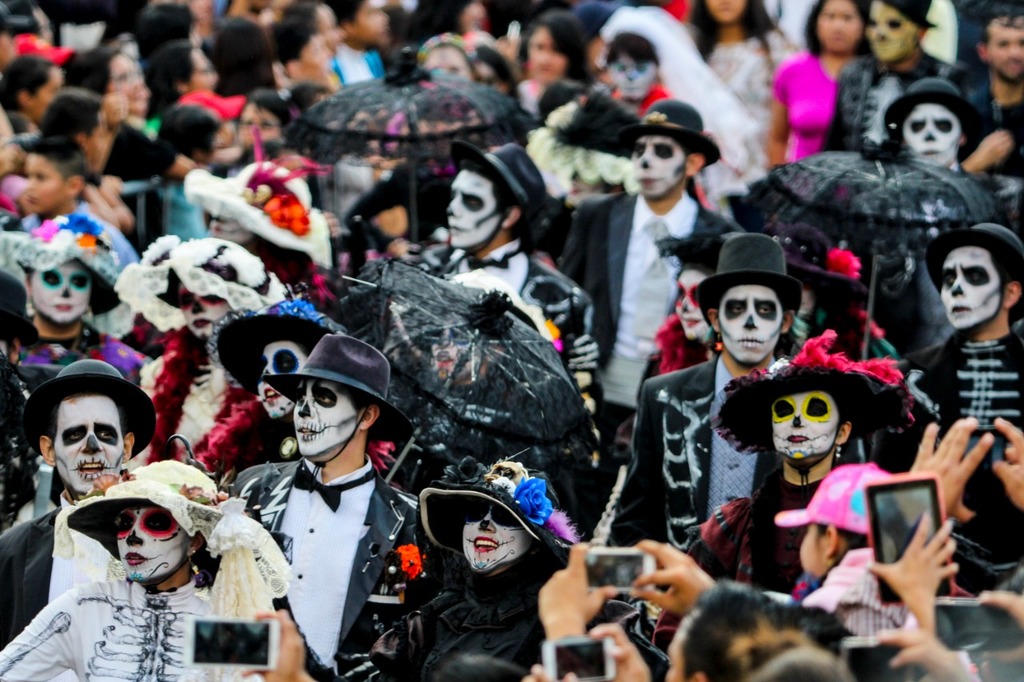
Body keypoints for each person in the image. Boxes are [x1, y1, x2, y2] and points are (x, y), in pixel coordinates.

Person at [371, 458, 667, 680]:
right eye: (476, 513)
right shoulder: (432, 621)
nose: (485, 524)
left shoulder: (579, 616)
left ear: (536, 543)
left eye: (503, 516)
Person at [234, 333, 420, 677]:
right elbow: (215, 600)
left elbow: (410, 646)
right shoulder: (252, 488)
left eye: (323, 398)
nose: (303, 412)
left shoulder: (407, 521)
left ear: (367, 416)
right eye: (300, 397)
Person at [0, 459, 289, 680]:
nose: (133, 538)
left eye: (157, 523)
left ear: (194, 541)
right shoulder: (86, 608)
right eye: (125, 524)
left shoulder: (217, 625)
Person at [561, 100, 741, 440]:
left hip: (676, 388)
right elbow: (566, 291)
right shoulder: (597, 215)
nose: (645, 161)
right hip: (598, 381)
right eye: (639, 150)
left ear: (692, 163)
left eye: (662, 151)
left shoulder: (720, 235)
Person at [610, 233, 800, 548]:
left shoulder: (812, 401)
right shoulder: (663, 396)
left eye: (765, 309)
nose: (750, 322)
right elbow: (633, 519)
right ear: (715, 318)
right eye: (736, 308)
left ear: (785, 322)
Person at [873, 222, 1024, 591]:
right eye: (949, 277)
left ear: (1011, 293)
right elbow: (885, 509)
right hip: (936, 583)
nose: (956, 288)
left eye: (974, 276)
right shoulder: (909, 379)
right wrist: (924, 500)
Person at [0, 359, 155, 650]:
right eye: (74, 434)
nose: (92, 446)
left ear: (126, 447)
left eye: (105, 433)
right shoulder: (11, 552)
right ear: (49, 450)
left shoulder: (169, 541)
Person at [114, 236, 285, 459]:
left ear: (236, 299)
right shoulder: (161, 373)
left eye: (209, 296)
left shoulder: (266, 371)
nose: (196, 309)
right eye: (186, 299)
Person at [199, 297, 341, 481]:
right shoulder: (242, 439)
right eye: (260, 368)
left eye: (284, 363)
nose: (267, 377)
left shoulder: (342, 435)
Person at [184, 155, 334, 306]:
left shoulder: (296, 281)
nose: (217, 223)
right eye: (216, 214)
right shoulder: (203, 268)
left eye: (232, 216)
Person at [14, 213, 146, 382]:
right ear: (28, 283)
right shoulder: (9, 350)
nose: (65, 293)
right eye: (52, 279)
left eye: (78, 281)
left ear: (92, 288)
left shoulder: (123, 362)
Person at [825, 0, 967, 152]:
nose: (880, 34)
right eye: (873, 24)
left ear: (921, 32)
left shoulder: (946, 77)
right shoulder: (854, 73)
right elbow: (835, 142)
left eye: (894, 24)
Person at [526, 92, 639, 258]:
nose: (572, 178)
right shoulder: (560, 221)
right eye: (570, 168)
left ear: (614, 181)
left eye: (585, 170)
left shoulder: (631, 229)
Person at [766, 222, 895, 361]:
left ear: (818, 289)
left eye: (803, 284)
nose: (792, 293)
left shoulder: (843, 333)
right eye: (781, 285)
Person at [768, 0, 869, 164]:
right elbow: (778, 139)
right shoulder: (792, 71)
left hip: (862, 177)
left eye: (847, 18)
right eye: (830, 16)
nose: (838, 26)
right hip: (803, 177)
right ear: (815, 22)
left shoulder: (877, 74)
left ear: (865, 25)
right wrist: (776, 174)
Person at [965, 11, 1024, 178]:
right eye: (1003, 44)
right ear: (983, 52)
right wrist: (976, 163)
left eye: (1022, 43)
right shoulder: (967, 115)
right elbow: (942, 186)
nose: (1015, 53)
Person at [517, 11, 591, 116]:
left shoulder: (587, 101)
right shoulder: (520, 95)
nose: (544, 60)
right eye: (539, 47)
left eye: (556, 50)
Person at [605, 32, 672, 116]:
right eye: (622, 68)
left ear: (656, 69)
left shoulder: (665, 106)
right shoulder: (606, 106)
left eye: (640, 68)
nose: (631, 77)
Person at [328, 0, 388, 86]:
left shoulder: (372, 58)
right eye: (371, 13)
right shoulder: (331, 66)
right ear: (347, 27)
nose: (384, 18)